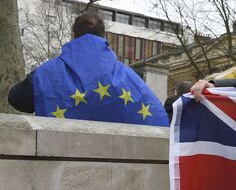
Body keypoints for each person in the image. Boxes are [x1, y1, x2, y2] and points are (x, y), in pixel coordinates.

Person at [8, 12, 169, 126]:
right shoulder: (129, 77)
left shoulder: (46, 73)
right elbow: (157, 116)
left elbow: (17, 99)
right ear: (104, 36)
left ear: (73, 34)